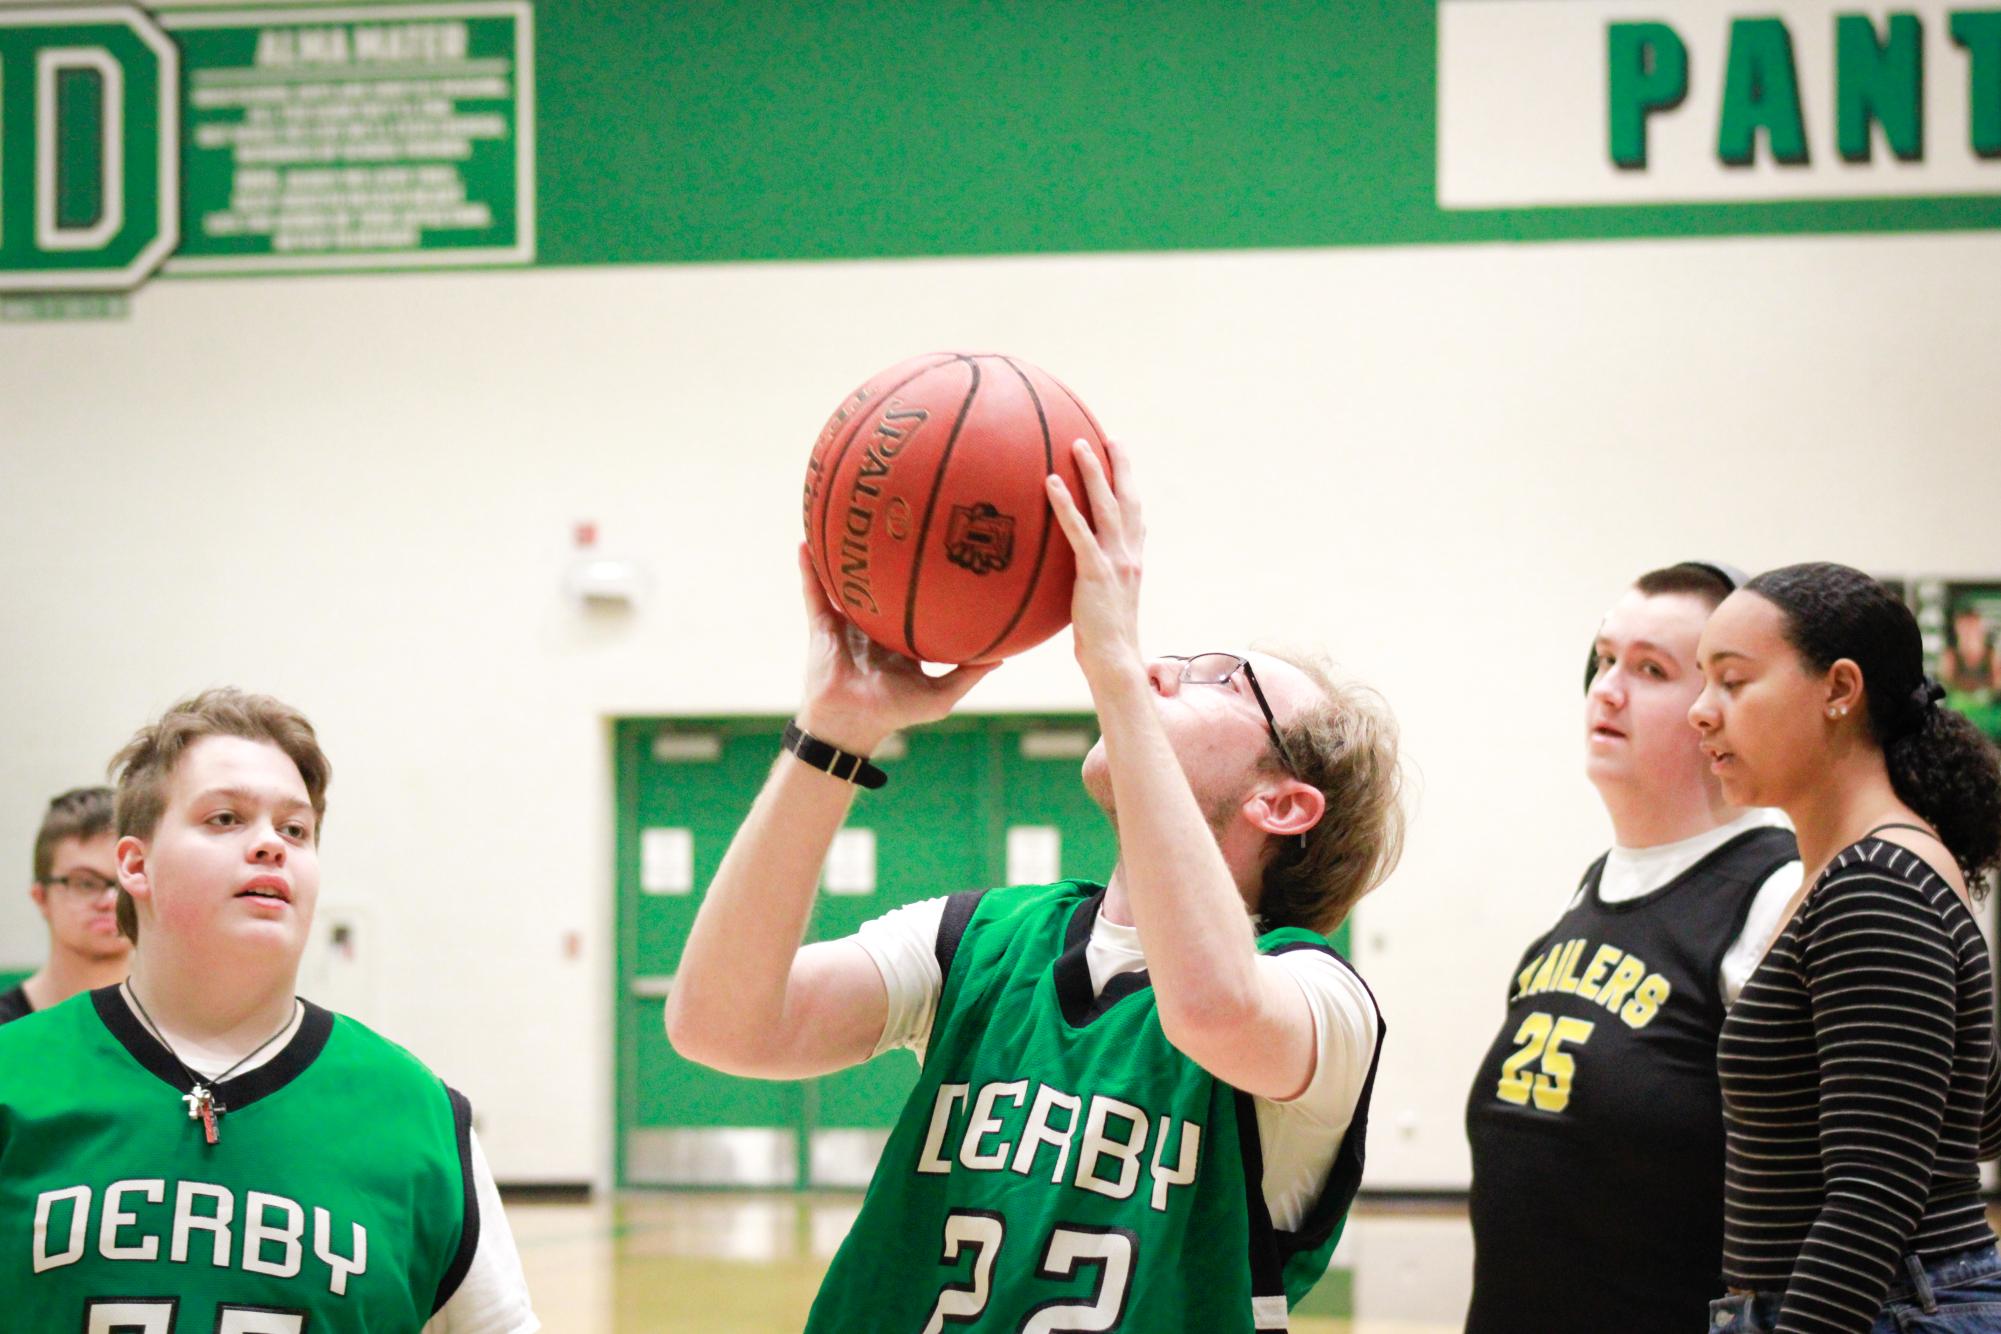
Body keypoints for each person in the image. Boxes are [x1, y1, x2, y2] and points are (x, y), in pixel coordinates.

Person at [665, 438, 1404, 1333]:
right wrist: (835, 730)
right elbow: (718, 1025)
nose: (1164, 666)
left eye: (1221, 680)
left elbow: (1210, 1008)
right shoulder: (980, 940)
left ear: (1281, 803)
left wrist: (1117, 673)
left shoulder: (1323, 1002)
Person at [0, 688, 539, 1332]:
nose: (270, 845)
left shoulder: (421, 1118)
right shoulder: (16, 1079)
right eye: (225, 818)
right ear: (136, 866)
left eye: (295, 829)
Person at [1463, 562, 1802, 1334]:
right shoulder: (1584, 892)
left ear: (1724, 709)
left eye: (1649, 669)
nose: (1606, 689)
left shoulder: (1776, 895)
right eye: (1603, 659)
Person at [1694, 562, 2001, 1333]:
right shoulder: (1876, 867)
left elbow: (1873, 1196)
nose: (1700, 712)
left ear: (1838, 688)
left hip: (1886, 1309)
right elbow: (1979, 1116)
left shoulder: (1876, 882)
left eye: (1731, 682)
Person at [1, 786, 130, 1025]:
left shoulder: (186, 1022)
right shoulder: (6, 1032)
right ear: (41, 897)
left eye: (125, 880)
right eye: (85, 883)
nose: (110, 900)